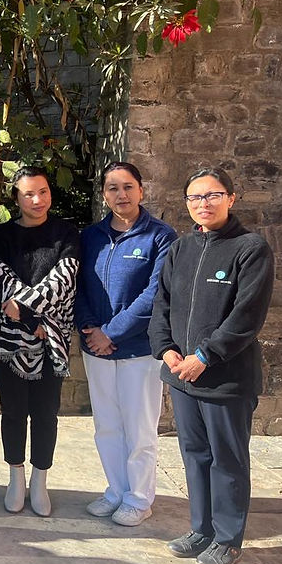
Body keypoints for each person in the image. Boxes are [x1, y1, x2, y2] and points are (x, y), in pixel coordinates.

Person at [149, 167, 274, 564]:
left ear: (231, 198)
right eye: (195, 198)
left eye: (212, 195)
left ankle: (227, 539)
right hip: (182, 377)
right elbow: (161, 304)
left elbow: (246, 316)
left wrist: (204, 356)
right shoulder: (181, 249)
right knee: (195, 454)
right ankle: (201, 528)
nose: (204, 204)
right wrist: (166, 350)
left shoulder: (249, 249)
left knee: (228, 460)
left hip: (224, 379)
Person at [75, 162, 176, 527]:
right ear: (104, 194)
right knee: (107, 425)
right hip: (95, 348)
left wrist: (111, 333)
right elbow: (80, 287)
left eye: (128, 187)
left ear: (141, 191)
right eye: (113, 188)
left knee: (140, 426)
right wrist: (89, 328)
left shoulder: (160, 236)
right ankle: (116, 489)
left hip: (138, 350)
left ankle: (139, 497)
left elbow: (154, 294)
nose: (122, 195)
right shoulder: (91, 237)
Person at [0, 166, 79, 517]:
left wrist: (35, 318)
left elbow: (64, 281)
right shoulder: (2, 234)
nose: (37, 200)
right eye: (28, 194)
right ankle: (15, 476)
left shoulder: (65, 233)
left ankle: (40, 480)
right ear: (16, 198)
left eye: (42, 191)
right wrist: (30, 318)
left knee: (45, 412)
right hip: (9, 337)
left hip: (50, 336)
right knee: (12, 410)